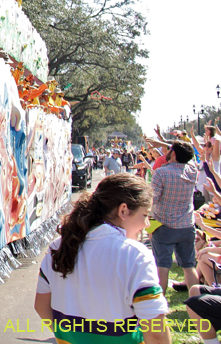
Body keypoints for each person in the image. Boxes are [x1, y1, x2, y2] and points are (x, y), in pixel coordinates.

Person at [34, 173, 171, 344]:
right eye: (145, 215)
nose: (147, 224)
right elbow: (156, 332)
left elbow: (41, 306)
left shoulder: (58, 245)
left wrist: (70, 337)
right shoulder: (135, 254)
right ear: (123, 210)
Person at [151, 140, 199, 293]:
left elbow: (153, 199)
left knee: (162, 267)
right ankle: (196, 301)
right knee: (189, 266)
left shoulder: (161, 173)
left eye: (170, 149)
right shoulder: (193, 171)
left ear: (174, 153)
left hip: (164, 225)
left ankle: (159, 305)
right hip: (187, 225)